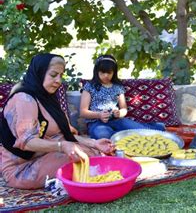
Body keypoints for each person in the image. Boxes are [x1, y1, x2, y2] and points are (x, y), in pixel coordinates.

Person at [0, 53, 115, 189]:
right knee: (84, 159)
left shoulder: (47, 97)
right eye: (53, 75)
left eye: (61, 75)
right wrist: (62, 146)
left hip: (45, 154)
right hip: (22, 167)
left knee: (94, 153)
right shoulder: (24, 98)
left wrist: (94, 143)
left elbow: (63, 135)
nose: (58, 81)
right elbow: (28, 142)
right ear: (39, 72)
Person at [80, 54, 165, 139]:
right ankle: (125, 135)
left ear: (114, 72)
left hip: (116, 120)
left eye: (109, 73)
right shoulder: (90, 86)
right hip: (96, 122)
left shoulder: (117, 87)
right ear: (96, 71)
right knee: (102, 134)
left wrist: (119, 113)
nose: (106, 75)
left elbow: (124, 109)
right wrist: (99, 115)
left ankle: (153, 128)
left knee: (142, 131)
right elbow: (83, 112)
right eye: (102, 72)